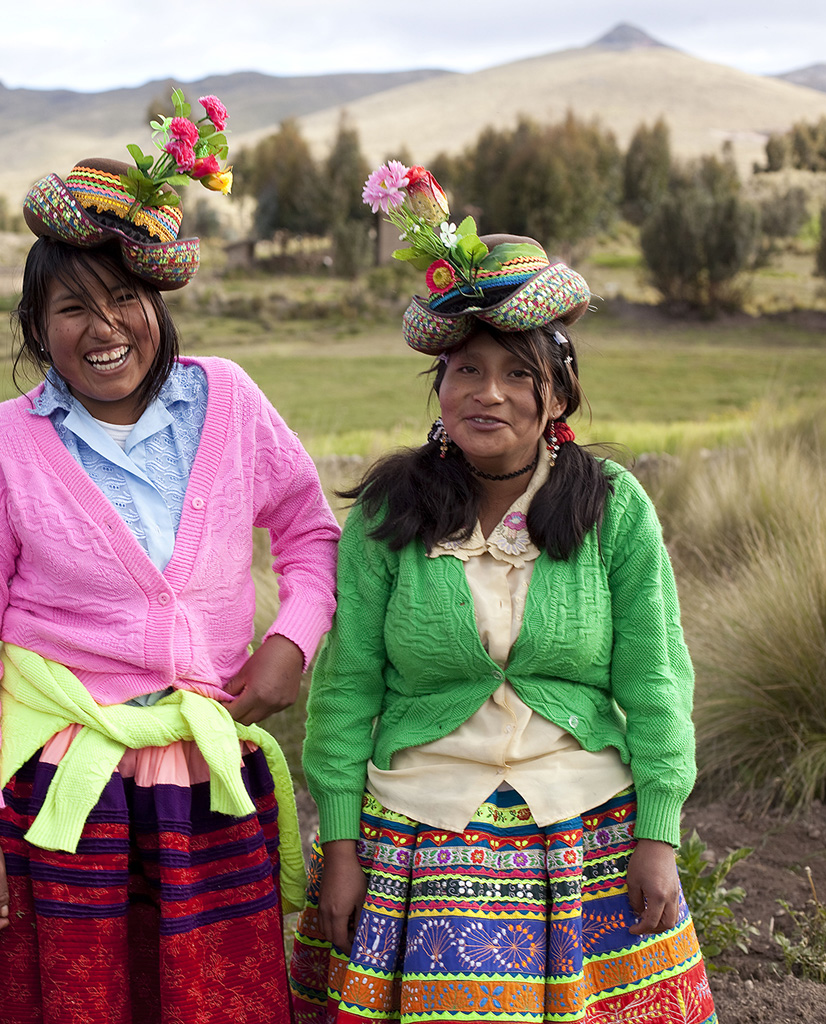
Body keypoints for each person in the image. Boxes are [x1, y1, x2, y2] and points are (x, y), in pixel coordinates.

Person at [289, 162, 716, 1024]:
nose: (490, 394)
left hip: (585, 812)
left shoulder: (611, 505)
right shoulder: (392, 510)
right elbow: (345, 688)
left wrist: (658, 833)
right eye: (467, 370)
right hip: (424, 819)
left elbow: (656, 677)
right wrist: (340, 844)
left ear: (557, 391)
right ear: (438, 389)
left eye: (518, 374)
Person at [0, 139, 341, 1022]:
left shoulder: (228, 401)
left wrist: (289, 642)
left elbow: (311, 534)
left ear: (158, 302)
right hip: (60, 797)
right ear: (37, 327)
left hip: (208, 781)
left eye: (124, 298)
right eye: (72, 306)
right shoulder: (1, 446)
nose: (104, 326)